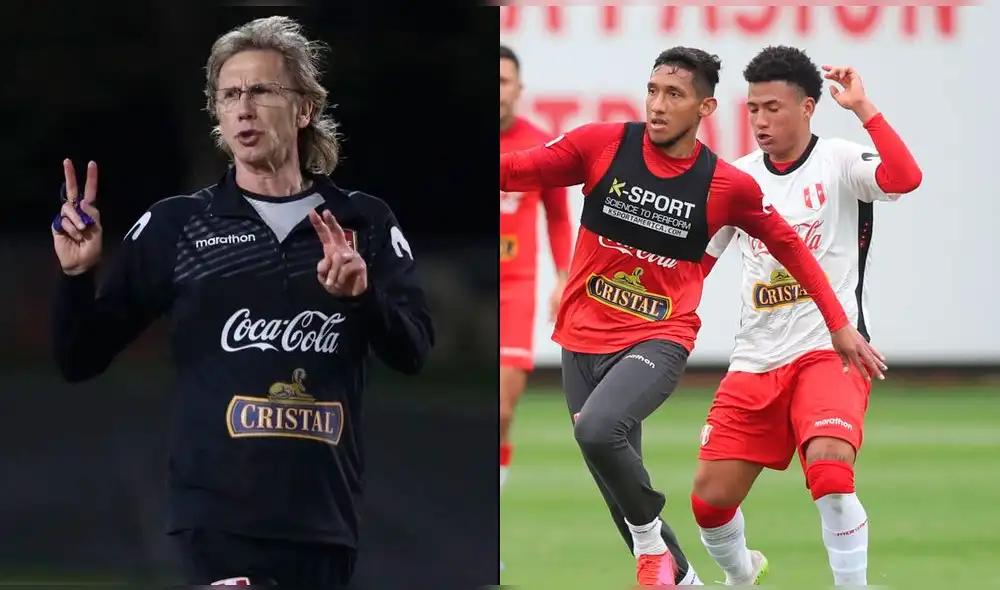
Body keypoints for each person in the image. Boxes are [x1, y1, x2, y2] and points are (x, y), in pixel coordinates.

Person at [50, 16, 434, 588]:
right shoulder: (177, 225)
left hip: (324, 523)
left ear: (304, 108)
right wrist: (77, 276)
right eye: (229, 95)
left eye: (261, 91)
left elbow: (414, 351)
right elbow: (79, 358)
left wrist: (362, 298)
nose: (243, 107)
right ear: (218, 115)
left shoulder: (363, 221)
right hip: (216, 520)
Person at [499, 46, 885, 587]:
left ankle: (653, 547)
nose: (657, 105)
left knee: (598, 430)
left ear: (704, 109)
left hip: (658, 338)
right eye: (653, 91)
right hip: (581, 338)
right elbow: (513, 170)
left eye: (674, 95)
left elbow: (792, 248)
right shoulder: (602, 145)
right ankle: (682, 578)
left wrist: (839, 323)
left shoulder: (723, 185)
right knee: (614, 477)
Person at [692, 46, 921, 586]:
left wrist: (864, 108)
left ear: (809, 107)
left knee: (831, 474)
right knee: (709, 503)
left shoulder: (839, 160)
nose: (761, 121)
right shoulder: (735, 179)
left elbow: (905, 178)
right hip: (755, 359)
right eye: (752, 109)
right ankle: (742, 572)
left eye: (773, 107)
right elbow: (695, 264)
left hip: (831, 348)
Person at [498, 44, 573, 495]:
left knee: (502, 412)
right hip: (465, 289)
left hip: (516, 285)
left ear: (519, 88)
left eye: (504, 81)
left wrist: (563, 278)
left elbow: (559, 216)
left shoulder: (540, 144)